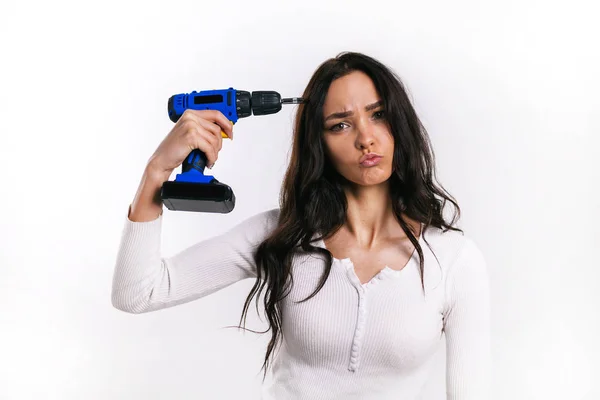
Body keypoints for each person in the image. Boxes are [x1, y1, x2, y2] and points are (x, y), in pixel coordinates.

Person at [112, 51, 491, 399]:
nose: (366, 138)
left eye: (378, 114)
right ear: (318, 143)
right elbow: (137, 293)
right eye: (340, 125)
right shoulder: (281, 236)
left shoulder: (454, 261)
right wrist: (157, 171)